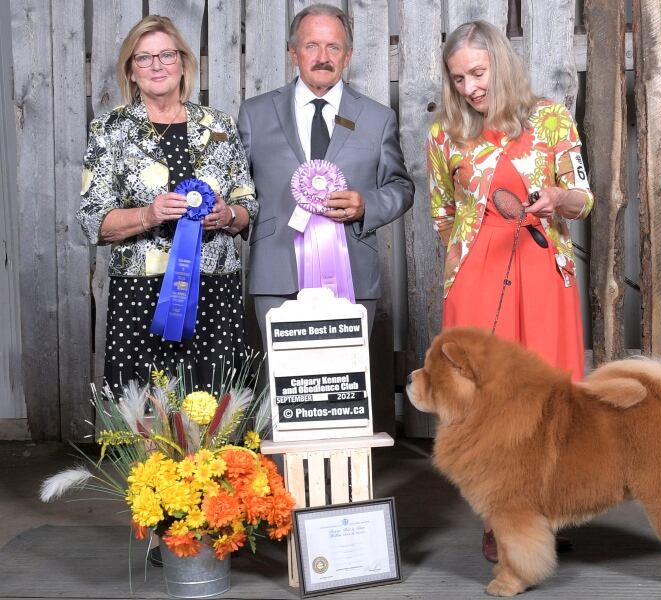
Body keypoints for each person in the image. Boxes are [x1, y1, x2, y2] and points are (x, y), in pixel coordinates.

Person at [427, 21, 594, 562]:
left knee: (548, 394)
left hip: (543, 265)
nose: (470, 87)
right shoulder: (442, 135)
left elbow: (583, 199)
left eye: (478, 72)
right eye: (458, 79)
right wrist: (461, 267)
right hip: (477, 270)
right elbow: (442, 215)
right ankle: (498, 521)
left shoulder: (550, 118)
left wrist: (556, 197)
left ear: (500, 62)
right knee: (484, 402)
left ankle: (540, 515)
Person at [78, 15, 258, 396]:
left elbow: (247, 204)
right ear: (130, 71)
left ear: (183, 63)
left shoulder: (219, 126)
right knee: (146, 410)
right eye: (143, 58)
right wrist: (148, 214)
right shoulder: (109, 130)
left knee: (215, 407)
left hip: (215, 290)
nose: (157, 65)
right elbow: (93, 220)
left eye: (166, 55)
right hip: (141, 293)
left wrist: (228, 216)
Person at [238, 3, 414, 349]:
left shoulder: (378, 118)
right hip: (276, 273)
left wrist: (367, 205)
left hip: (352, 278)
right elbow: (238, 190)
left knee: (344, 389)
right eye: (311, 46)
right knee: (285, 392)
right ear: (293, 53)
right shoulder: (254, 114)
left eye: (333, 47)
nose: (323, 57)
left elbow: (401, 187)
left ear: (347, 56)